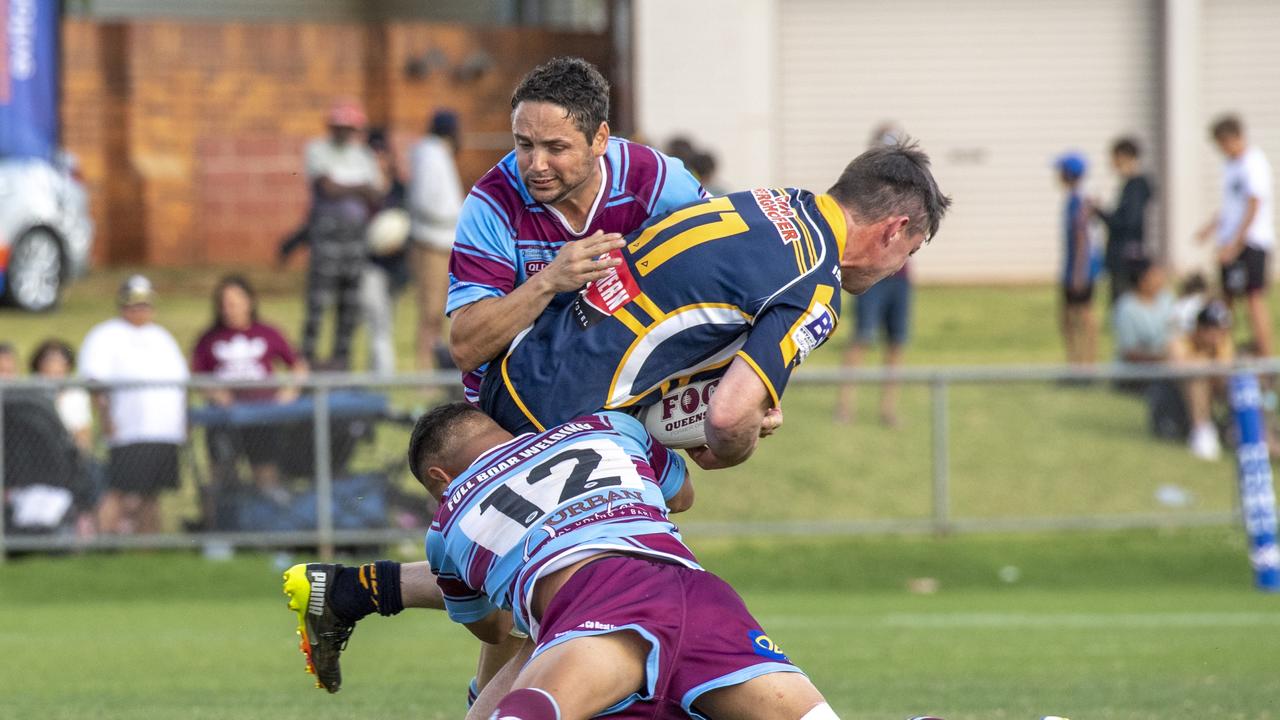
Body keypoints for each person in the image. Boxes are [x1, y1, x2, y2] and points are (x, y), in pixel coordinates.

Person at [287, 403, 840, 720]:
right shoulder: (609, 427)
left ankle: (352, 589)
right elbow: (682, 495)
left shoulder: (448, 518)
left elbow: (496, 627)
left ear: (438, 480)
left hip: (596, 608)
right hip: (698, 593)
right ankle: (350, 590)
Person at [483, 141, 951, 471]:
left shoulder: (771, 201)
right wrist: (735, 444)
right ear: (894, 228)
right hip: (560, 426)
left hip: (513, 371)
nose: (897, 267)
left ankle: (405, 584)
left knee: (489, 580)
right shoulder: (815, 286)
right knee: (652, 557)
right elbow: (727, 418)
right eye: (908, 252)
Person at [446, 56, 706, 405]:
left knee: (726, 428)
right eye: (524, 144)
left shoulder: (657, 183)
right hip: (516, 398)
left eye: (556, 148)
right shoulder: (493, 202)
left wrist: (748, 389)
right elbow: (466, 347)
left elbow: (722, 274)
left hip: (631, 387)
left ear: (599, 139)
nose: (536, 165)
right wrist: (550, 280)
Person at [78, 275, 189, 534]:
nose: (140, 310)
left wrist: (183, 422)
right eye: (134, 304)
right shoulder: (106, 335)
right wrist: (106, 419)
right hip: (129, 431)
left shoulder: (163, 337)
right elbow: (95, 382)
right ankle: (100, 543)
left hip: (164, 431)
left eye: (145, 304)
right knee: (120, 490)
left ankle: (146, 548)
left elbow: (182, 385)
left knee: (152, 494)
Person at [192, 275, 309, 513]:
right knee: (220, 475)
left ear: (249, 302)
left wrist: (290, 392)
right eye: (224, 303)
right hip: (224, 418)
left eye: (234, 302)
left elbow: (298, 365)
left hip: (262, 418)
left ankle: (270, 527)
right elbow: (194, 374)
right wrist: (214, 392)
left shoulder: (267, 333)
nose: (229, 308)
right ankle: (216, 532)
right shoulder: (209, 338)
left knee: (265, 475)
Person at [836, 123, 913, 427]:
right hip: (872, 276)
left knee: (896, 343)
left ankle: (888, 408)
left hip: (900, 277)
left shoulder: (911, 193)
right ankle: (845, 405)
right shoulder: (865, 190)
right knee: (861, 339)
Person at [300, 99, 386, 370]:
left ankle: (341, 362)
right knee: (318, 302)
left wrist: (350, 187)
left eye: (349, 127)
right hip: (327, 235)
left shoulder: (363, 155)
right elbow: (327, 187)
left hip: (356, 237)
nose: (344, 132)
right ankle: (307, 361)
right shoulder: (317, 149)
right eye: (339, 126)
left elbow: (377, 192)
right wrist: (359, 187)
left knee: (350, 304)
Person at [1197, 114, 1275, 359]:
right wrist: (1212, 228)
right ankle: (1223, 356)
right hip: (1232, 241)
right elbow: (1232, 206)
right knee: (1226, 300)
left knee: (1253, 300)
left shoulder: (1253, 163)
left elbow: (1253, 205)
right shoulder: (1231, 166)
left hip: (1251, 242)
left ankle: (1266, 360)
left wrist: (1236, 244)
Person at [408, 109, 465, 373]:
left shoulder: (438, 153)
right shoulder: (429, 154)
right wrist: (457, 215)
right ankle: (424, 370)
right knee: (430, 311)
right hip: (431, 242)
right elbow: (425, 201)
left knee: (442, 311)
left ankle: (436, 368)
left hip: (445, 241)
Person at [27, 338, 98, 537]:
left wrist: (78, 460)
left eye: (60, 360)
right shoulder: (27, 390)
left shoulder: (76, 394)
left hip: (66, 461)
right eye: (49, 360)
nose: (55, 366)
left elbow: (83, 435)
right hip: (31, 460)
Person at [362, 127, 413, 376]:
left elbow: (408, 223)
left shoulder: (400, 190)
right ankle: (384, 372)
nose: (377, 160)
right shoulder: (361, 191)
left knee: (385, 318)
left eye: (381, 154)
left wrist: (401, 241)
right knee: (377, 317)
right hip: (368, 264)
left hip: (394, 266)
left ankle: (379, 369)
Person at [1172, 299, 1235, 461]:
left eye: (1221, 330)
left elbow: (1226, 369)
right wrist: (1208, 363)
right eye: (1211, 330)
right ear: (1199, 329)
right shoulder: (1181, 342)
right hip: (1174, 396)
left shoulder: (1223, 344)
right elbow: (1180, 367)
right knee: (1197, 378)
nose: (1217, 336)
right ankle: (1202, 432)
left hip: (1216, 390)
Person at [1094, 137, 1154, 304]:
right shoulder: (1130, 185)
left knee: (1124, 303)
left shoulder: (1135, 186)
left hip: (1126, 257)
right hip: (1126, 254)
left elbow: (1129, 221)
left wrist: (1101, 213)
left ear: (1123, 157)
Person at [1055, 152, 1101, 367]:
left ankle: (1086, 363)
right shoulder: (1076, 198)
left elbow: (1082, 237)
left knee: (1082, 315)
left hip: (1080, 268)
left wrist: (1078, 271)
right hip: (1075, 267)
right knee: (1068, 317)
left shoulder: (1078, 201)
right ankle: (1076, 363)